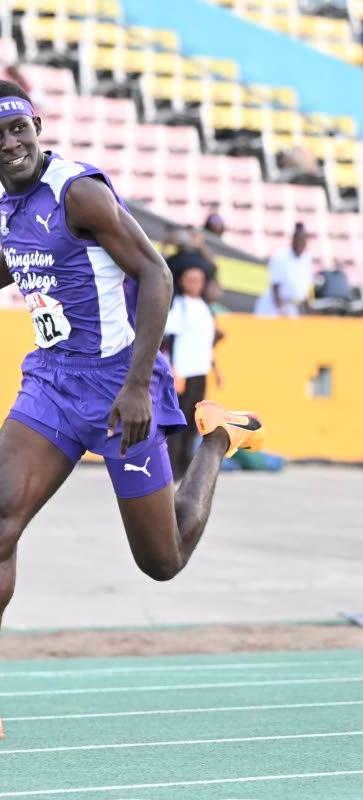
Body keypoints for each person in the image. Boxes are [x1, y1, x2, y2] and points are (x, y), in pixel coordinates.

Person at [0, 82, 265, 735]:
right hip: (52, 386)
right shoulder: (6, 207)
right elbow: (17, 263)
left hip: (121, 386)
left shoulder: (78, 193)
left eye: (17, 131)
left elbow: (157, 275)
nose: (9, 146)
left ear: (36, 126)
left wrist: (141, 386)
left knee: (163, 560)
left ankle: (218, 439)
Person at [164, 267, 222, 480]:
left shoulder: (205, 307)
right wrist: (172, 367)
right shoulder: (179, 306)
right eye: (191, 280)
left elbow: (207, 343)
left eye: (199, 280)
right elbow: (169, 337)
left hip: (200, 370)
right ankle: (173, 467)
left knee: (194, 421)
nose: (195, 284)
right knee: (179, 421)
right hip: (183, 370)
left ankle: (186, 465)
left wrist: (217, 370)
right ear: (183, 281)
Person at [254, 222, 313, 317]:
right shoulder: (281, 256)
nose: (300, 243)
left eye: (303, 240)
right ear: (293, 239)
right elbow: (275, 286)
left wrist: (310, 313)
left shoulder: (306, 260)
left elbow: (305, 293)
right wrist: (280, 309)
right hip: (272, 307)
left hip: (290, 307)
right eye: (298, 240)